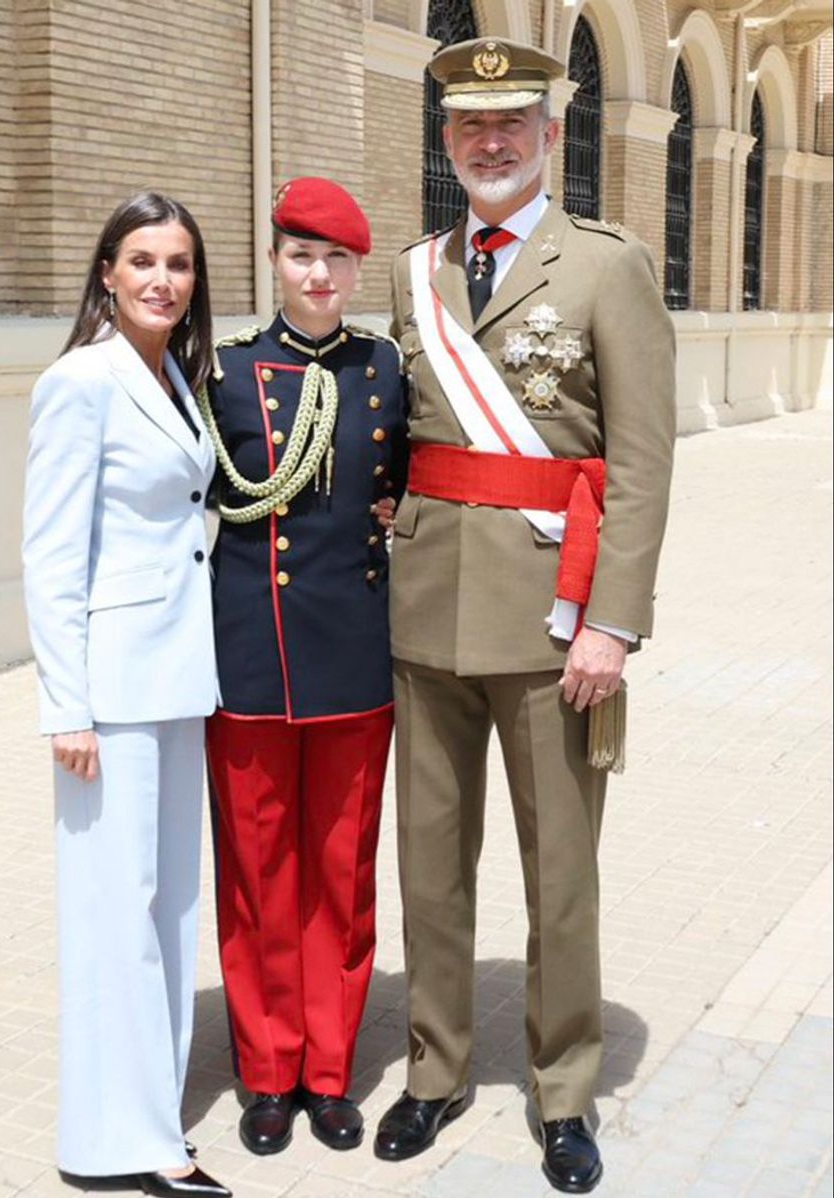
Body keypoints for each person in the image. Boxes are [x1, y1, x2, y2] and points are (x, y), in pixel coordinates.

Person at [375, 38, 676, 1194]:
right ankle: (436, 1068)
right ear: (447, 143)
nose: (488, 143)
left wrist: (614, 622)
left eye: (510, 124)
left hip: (557, 625)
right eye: (466, 127)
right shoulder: (416, 273)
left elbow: (641, 467)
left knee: (559, 872)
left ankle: (563, 1092)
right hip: (425, 611)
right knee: (429, 863)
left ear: (551, 134)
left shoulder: (605, 265)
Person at [22, 191, 230, 1198]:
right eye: (141, 260)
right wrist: (66, 705)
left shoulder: (178, 378)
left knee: (168, 905)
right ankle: (133, 1142)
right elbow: (50, 555)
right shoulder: (81, 380)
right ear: (106, 271)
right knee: (116, 910)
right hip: (110, 689)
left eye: (179, 263)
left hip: (180, 675)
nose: (161, 279)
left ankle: (145, 1108)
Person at [196, 177, 407, 1156]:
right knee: (255, 874)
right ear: (274, 259)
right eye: (300, 255)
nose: (318, 274)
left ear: (356, 269)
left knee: (340, 874)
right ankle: (268, 1070)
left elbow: (412, 485)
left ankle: (329, 1071)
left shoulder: (384, 369)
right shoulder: (224, 370)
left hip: (356, 654)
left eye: (336, 259)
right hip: (248, 655)